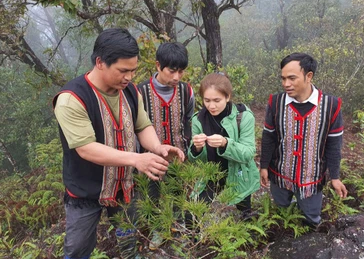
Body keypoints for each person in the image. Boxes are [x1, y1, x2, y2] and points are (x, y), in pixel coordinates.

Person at [53, 28, 185, 259]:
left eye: (133, 71)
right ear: (100, 62)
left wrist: (158, 147)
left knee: (127, 234)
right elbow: (86, 148)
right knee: (77, 248)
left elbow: (142, 126)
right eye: (123, 71)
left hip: (123, 186)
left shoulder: (131, 92)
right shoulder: (71, 99)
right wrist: (136, 158)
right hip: (85, 191)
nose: (129, 77)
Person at [259, 52, 347, 227]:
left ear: (309, 76)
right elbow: (269, 137)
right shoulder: (276, 103)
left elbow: (333, 145)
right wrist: (263, 166)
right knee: (282, 210)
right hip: (280, 174)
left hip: (311, 179)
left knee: (311, 216)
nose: (286, 84)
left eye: (292, 78)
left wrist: (335, 177)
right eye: (283, 78)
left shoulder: (331, 106)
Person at [136, 42, 194, 249]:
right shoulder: (140, 92)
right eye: (172, 71)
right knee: (152, 195)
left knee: (179, 192)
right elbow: (135, 125)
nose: (177, 77)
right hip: (150, 157)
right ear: (158, 65)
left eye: (181, 71)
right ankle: (157, 230)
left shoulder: (187, 92)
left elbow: (188, 120)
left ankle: (179, 227)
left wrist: (187, 148)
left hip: (179, 155)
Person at [188, 73, 260, 221]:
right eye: (206, 100)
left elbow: (248, 153)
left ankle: (246, 240)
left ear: (228, 97)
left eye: (217, 100)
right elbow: (195, 161)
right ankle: (195, 240)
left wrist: (225, 143)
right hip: (211, 174)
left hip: (239, 173)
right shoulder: (198, 120)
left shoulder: (243, 116)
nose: (211, 106)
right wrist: (197, 148)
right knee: (193, 213)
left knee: (245, 215)